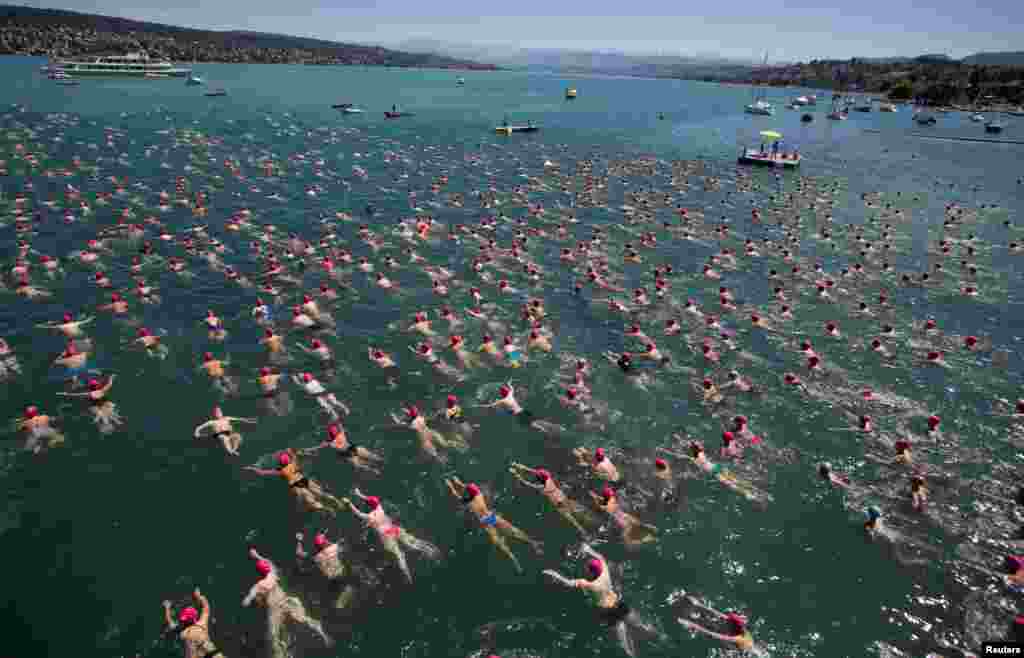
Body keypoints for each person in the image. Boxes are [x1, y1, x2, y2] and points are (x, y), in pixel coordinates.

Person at [543, 544, 662, 657]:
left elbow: (568, 583)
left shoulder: (587, 584)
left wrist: (555, 574)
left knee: (625, 644)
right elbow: (600, 557)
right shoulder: (605, 570)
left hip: (608, 612)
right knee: (642, 624)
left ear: (590, 572)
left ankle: (632, 655)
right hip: (619, 604)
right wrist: (589, 550)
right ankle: (660, 637)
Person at [241, 548, 332, 657]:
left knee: (273, 636)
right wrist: (257, 555)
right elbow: (269, 563)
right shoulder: (273, 574)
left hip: (275, 610)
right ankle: (325, 636)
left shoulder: (260, 585)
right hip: (287, 602)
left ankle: (282, 655)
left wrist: (247, 600)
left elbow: (247, 600)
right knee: (306, 619)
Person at [444, 478, 542, 573]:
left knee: (509, 533)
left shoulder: (473, 498)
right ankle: (517, 557)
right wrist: (455, 484)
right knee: (503, 539)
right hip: (489, 519)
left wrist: (452, 485)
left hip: (487, 520)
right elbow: (461, 492)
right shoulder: (476, 495)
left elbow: (458, 494)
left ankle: (531, 544)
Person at [342, 489, 440, 583]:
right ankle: (430, 550)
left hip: (386, 536)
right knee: (412, 544)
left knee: (399, 555)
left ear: (368, 507)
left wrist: (349, 503)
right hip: (393, 529)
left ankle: (408, 576)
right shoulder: (380, 508)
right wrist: (359, 494)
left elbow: (357, 513)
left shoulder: (369, 517)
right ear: (376, 504)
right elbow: (370, 500)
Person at [245, 450, 346, 515]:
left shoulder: (281, 471)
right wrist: (290, 452)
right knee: (322, 493)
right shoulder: (293, 463)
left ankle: (327, 509)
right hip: (303, 480)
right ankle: (337, 502)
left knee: (312, 502)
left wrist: (253, 469)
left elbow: (263, 473)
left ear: (280, 463)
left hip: (296, 486)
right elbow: (294, 455)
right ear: (288, 460)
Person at [509, 463, 593, 535]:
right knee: (576, 509)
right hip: (561, 495)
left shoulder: (541, 487)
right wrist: (519, 466)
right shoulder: (548, 478)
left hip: (557, 501)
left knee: (570, 517)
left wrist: (516, 474)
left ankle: (583, 531)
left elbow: (527, 483)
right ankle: (591, 520)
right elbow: (532, 471)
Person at [294, 531, 358, 609]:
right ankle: (346, 598)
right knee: (347, 587)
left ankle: (338, 603)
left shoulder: (316, 557)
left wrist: (299, 541)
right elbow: (339, 545)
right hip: (342, 574)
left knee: (335, 594)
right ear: (325, 542)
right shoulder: (334, 548)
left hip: (332, 579)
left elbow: (299, 553)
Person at [678, 596, 761, 655]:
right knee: (717, 623)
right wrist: (698, 604)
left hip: (739, 647)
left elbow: (712, 634)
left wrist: (690, 624)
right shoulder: (736, 624)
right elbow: (718, 613)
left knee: (715, 631)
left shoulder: (737, 637)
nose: (728, 620)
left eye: (729, 622)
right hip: (747, 642)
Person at [162, 589, 226, 658]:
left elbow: (170, 622)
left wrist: (167, 608)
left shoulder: (185, 634)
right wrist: (199, 596)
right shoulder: (202, 624)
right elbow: (206, 607)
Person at [590, 486, 658, 546]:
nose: (615, 504)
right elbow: (626, 539)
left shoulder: (622, 508)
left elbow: (633, 523)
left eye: (614, 502)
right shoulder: (607, 520)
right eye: (613, 503)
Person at [57, 375, 123, 433]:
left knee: (105, 413)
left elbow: (76, 395)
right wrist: (111, 378)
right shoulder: (100, 391)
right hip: (98, 405)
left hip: (100, 404)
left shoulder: (96, 392)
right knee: (104, 413)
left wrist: (66, 394)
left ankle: (112, 421)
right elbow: (109, 384)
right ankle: (111, 422)